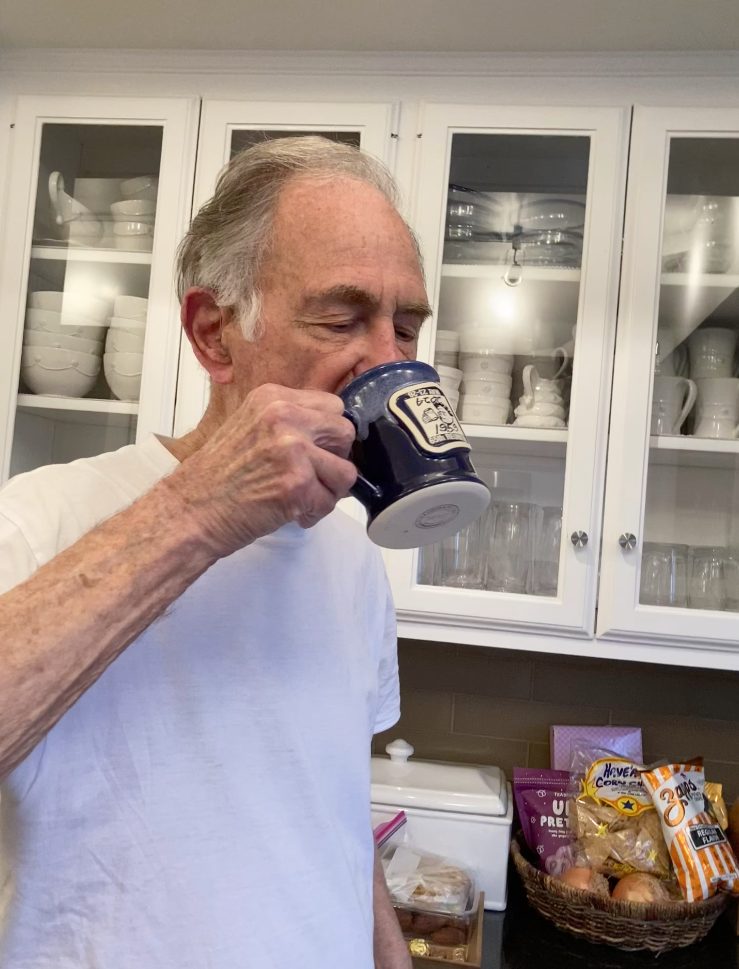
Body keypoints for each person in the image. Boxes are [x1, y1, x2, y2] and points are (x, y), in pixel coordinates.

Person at [0, 136, 432, 968]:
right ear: (214, 334)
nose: (390, 358)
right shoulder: (38, 515)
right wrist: (199, 510)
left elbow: (332, 810)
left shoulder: (353, 558)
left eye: (405, 325)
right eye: (342, 317)